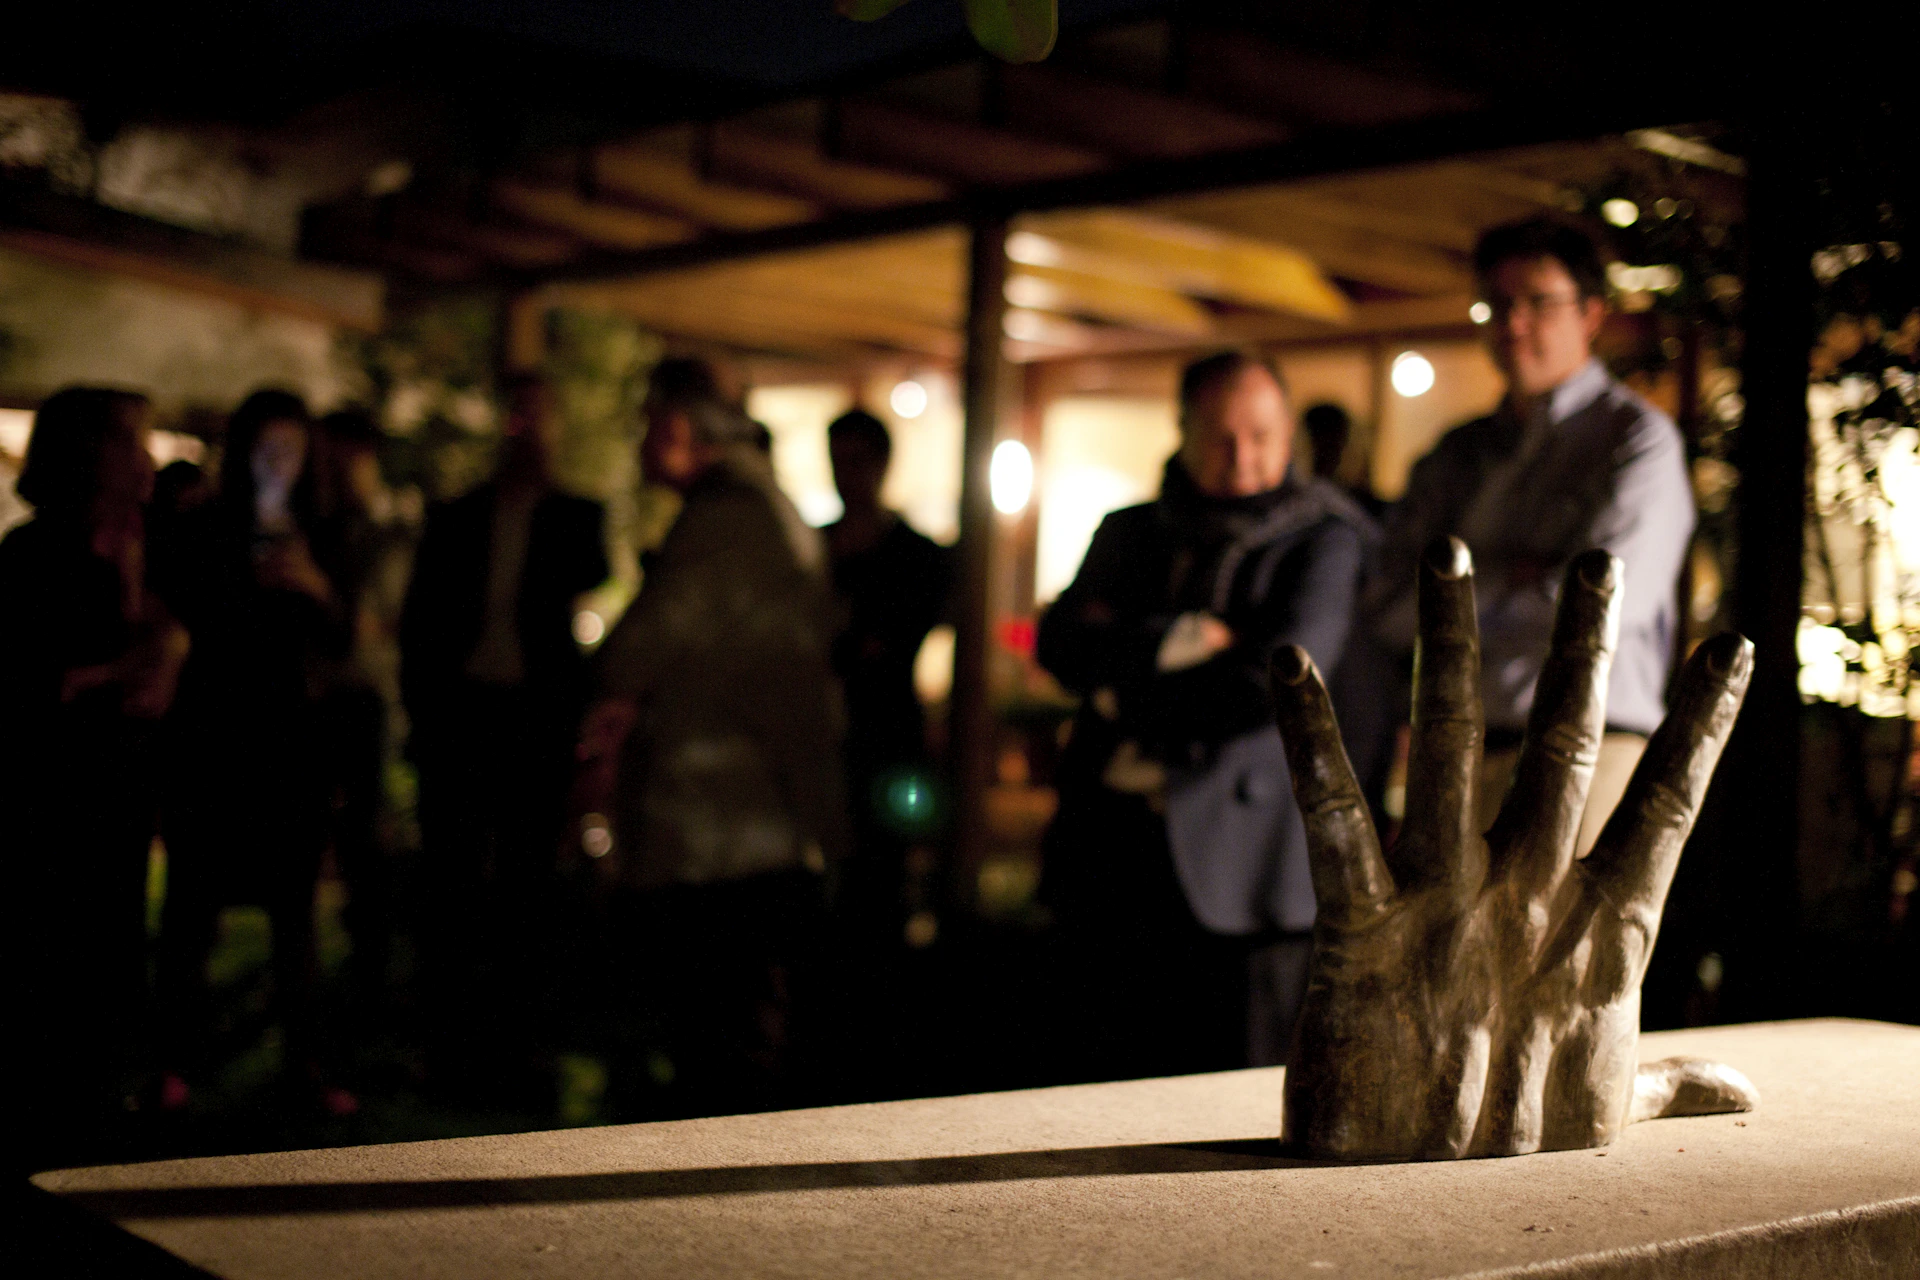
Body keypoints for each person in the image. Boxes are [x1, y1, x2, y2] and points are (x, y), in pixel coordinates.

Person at [1035, 351, 1375, 1078]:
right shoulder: (1129, 530)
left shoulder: (1325, 538)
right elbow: (1059, 644)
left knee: (1237, 1089)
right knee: (1095, 1079)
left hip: (1245, 862)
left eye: (1260, 435)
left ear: (1289, 433)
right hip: (1110, 845)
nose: (1241, 456)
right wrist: (1185, 638)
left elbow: (1275, 683)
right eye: (1221, 436)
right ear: (1182, 430)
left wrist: (1119, 693)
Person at [1351, 216, 1694, 855]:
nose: (1513, 324)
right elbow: (1387, 604)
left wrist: (1460, 592)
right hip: (1454, 757)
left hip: (1588, 752)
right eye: (1497, 305)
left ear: (1591, 314)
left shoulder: (1635, 442)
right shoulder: (1456, 453)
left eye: (1539, 303)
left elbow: (1603, 607)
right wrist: (1521, 576)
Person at [576, 356, 845, 1119]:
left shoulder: (730, 518)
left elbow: (639, 648)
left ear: (679, 427)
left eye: (646, 423)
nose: (639, 443)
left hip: (723, 824)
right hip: (757, 816)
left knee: (720, 1030)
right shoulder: (767, 507)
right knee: (738, 1021)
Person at [399, 375, 607, 1100]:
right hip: (465, 717)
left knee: (528, 884)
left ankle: (520, 1044)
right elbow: (422, 622)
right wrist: (426, 713)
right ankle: (450, 1044)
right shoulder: (458, 515)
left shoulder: (575, 515)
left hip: (532, 721)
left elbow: (588, 576)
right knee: (452, 883)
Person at [1, 388, 185, 1166]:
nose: (148, 461)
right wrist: (130, 665)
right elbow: (33, 681)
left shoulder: (140, 550)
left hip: (118, 793)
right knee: (57, 956)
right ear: (90, 454)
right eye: (133, 442)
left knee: (110, 949)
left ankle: (100, 1108)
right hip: (55, 798)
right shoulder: (34, 557)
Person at [153, 389, 349, 1111]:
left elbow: (343, 639)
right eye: (266, 448)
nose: (277, 464)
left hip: (290, 742)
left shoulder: (322, 530)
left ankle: (306, 1064)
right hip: (213, 735)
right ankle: (173, 1062)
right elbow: (186, 606)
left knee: (294, 910)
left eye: (290, 450)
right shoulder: (207, 526)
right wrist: (244, 582)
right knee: (192, 905)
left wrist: (314, 585)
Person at [822, 408, 953, 941]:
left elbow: (893, 641)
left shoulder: (917, 556)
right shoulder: (813, 549)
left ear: (881, 465)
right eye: (838, 461)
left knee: (881, 874)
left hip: (885, 732)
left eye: (856, 461)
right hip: (824, 734)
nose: (845, 475)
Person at [311, 408, 413, 1030]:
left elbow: (385, 621)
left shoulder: (391, 534)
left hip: (364, 695)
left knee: (366, 831)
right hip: (319, 696)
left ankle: (370, 967)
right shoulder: (321, 529)